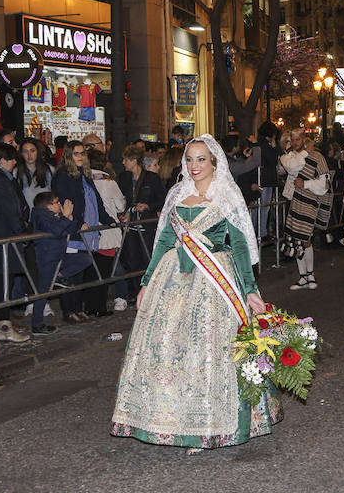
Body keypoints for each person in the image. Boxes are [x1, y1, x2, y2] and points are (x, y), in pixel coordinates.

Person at [110, 136, 280, 451]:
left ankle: (211, 423)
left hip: (215, 282)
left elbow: (240, 247)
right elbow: (162, 242)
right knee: (168, 347)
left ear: (215, 162)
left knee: (210, 350)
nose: (194, 166)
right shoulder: (178, 194)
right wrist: (147, 282)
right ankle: (168, 419)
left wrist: (251, 289)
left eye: (201, 159)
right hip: (172, 279)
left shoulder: (228, 196)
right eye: (190, 160)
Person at [51, 141, 116, 322]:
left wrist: (108, 220)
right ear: (68, 156)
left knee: (81, 272)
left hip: (88, 231)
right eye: (76, 153)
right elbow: (65, 203)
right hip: (73, 231)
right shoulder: (63, 176)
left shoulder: (85, 176)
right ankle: (69, 310)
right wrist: (78, 223)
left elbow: (96, 201)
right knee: (71, 271)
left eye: (82, 153)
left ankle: (78, 308)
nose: (80, 157)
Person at [0, 143, 31, 342]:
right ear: (3, 161)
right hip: (5, 238)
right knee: (4, 283)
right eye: (12, 160)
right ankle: (3, 326)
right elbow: (10, 209)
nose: (15, 163)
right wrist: (21, 232)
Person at [30, 193, 93, 334]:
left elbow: (69, 229)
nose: (60, 205)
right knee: (43, 292)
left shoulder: (55, 216)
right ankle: (37, 324)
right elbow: (55, 231)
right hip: (47, 259)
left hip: (60, 256)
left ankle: (60, 276)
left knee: (85, 259)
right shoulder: (39, 216)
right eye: (57, 202)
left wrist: (70, 218)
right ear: (49, 205)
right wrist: (65, 217)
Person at [281, 128, 332, 290]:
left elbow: (324, 185)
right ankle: (302, 276)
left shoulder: (318, 157)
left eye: (298, 140)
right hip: (295, 201)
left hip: (311, 202)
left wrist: (306, 184)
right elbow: (288, 168)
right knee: (296, 239)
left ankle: (310, 274)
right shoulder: (292, 157)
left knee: (305, 238)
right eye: (293, 140)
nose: (295, 143)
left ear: (304, 139)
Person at [117, 144, 165, 302]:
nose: (123, 162)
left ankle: (149, 291)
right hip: (130, 225)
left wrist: (148, 206)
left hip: (146, 224)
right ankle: (134, 292)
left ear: (134, 160)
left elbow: (162, 199)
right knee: (131, 259)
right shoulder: (123, 178)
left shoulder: (151, 178)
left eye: (126, 159)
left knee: (147, 258)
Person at [88, 149, 128, 311]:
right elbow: (120, 205)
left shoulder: (84, 179)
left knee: (92, 269)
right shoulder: (107, 180)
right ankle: (102, 304)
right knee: (106, 269)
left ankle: (91, 304)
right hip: (107, 230)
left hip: (89, 231)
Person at [17, 138, 54, 206]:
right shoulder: (16, 172)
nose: (29, 154)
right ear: (21, 153)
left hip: (45, 212)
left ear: (38, 151)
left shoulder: (49, 170)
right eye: (25, 151)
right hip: (25, 213)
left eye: (32, 151)